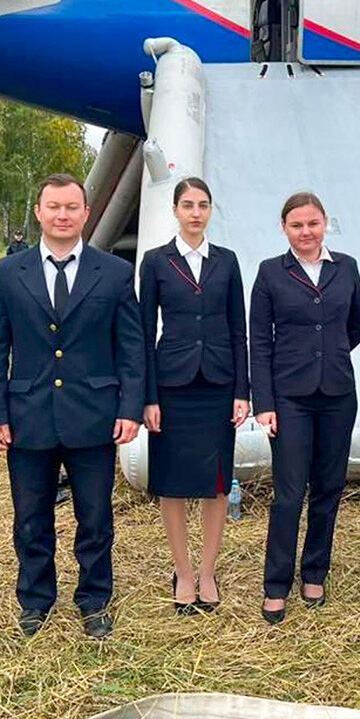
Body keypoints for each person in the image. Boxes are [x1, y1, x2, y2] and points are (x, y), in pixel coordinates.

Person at [0, 173, 144, 641]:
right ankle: (35, 600)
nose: (62, 215)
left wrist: (129, 408)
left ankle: (94, 601)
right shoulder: (8, 274)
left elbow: (131, 347)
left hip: (94, 416)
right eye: (53, 206)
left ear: (86, 214)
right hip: (27, 417)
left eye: (72, 207)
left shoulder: (112, 272)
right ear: (39, 212)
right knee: (30, 519)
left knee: (95, 519)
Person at [250, 192, 360, 624]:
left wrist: (329, 353)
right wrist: (264, 402)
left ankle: (315, 571)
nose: (306, 232)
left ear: (325, 225)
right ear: (284, 228)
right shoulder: (269, 273)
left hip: (337, 393)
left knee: (329, 487)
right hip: (290, 397)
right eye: (297, 225)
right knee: (288, 492)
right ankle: (276, 583)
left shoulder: (347, 267)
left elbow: (357, 324)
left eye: (313, 224)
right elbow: (259, 341)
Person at [139, 177, 250, 614]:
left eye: (203, 205)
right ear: (175, 209)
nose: (196, 212)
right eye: (188, 205)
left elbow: (238, 329)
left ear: (210, 210)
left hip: (219, 385)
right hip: (173, 385)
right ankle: (182, 571)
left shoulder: (227, 261)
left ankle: (207, 569)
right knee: (172, 480)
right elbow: (144, 334)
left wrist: (243, 390)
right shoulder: (155, 262)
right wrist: (148, 396)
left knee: (216, 482)